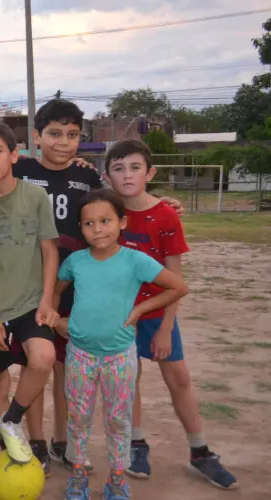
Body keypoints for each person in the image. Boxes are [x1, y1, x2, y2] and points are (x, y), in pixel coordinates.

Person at [13, 99, 184, 474]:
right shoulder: (19, 168)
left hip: (74, 286)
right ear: (37, 137)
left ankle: (62, 442)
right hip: (30, 285)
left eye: (72, 135)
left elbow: (120, 205)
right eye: (54, 134)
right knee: (35, 364)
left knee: (64, 368)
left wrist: (163, 204)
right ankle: (38, 441)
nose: (63, 142)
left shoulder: (88, 177)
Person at [104, 139, 239, 490]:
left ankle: (200, 451)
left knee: (179, 379)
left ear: (151, 172)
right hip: (121, 317)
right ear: (108, 176)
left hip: (156, 314)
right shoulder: (106, 210)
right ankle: (136, 444)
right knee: (127, 381)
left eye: (135, 167)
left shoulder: (164, 215)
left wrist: (166, 328)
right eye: (118, 168)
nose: (127, 175)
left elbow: (174, 278)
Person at [55, 188, 189, 500]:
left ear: (122, 222)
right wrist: (55, 316)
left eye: (105, 221)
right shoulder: (76, 261)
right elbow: (57, 289)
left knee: (118, 420)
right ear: (81, 228)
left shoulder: (135, 260)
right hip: (80, 354)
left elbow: (178, 286)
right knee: (78, 418)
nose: (97, 229)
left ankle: (117, 479)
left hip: (119, 357)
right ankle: (78, 476)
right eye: (89, 224)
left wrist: (141, 310)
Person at [0, 123, 60, 495]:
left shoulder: (34, 196)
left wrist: (48, 299)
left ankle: (12, 420)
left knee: (43, 356)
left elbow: (50, 250)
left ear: (14, 154)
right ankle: (7, 460)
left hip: (29, 301)